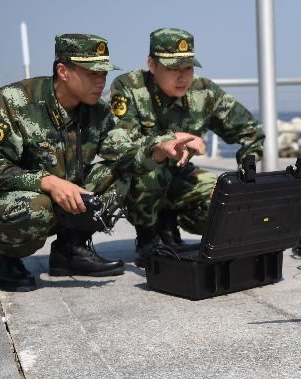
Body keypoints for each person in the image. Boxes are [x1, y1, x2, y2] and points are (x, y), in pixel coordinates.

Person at [0, 34, 199, 292]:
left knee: (119, 174)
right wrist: (46, 181)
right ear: (63, 71)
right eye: (92, 73)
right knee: (37, 206)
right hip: (1, 200)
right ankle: (6, 257)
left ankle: (71, 250)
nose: (101, 81)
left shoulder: (97, 112)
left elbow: (125, 153)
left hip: (62, 192)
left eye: (104, 74)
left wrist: (159, 148)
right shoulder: (13, 101)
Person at [109, 28, 264, 266]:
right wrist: (170, 140)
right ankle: (148, 239)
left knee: (227, 200)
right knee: (152, 170)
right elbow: (123, 147)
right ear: (152, 65)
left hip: (179, 177)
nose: (182, 77)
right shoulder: (128, 87)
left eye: (188, 68)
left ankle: (169, 226)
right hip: (139, 180)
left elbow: (252, 132)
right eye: (172, 69)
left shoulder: (204, 92)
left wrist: (241, 179)